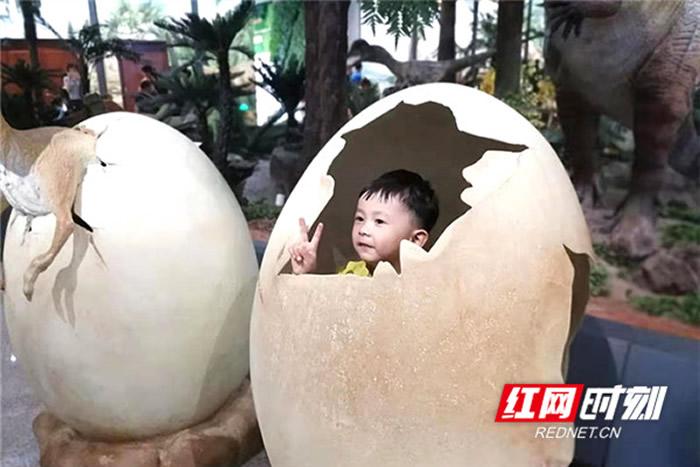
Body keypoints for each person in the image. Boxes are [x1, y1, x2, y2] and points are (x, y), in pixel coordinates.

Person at [289, 169, 439, 276]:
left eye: (379, 221)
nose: (363, 230)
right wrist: (305, 273)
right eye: (360, 219)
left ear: (416, 239)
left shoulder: (422, 284)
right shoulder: (351, 274)